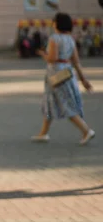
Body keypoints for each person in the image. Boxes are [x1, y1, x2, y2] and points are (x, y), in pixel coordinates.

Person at [31, 12, 95, 146]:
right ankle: (43, 133)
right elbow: (76, 62)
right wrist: (83, 80)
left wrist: (43, 54)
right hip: (67, 72)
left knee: (65, 104)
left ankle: (86, 130)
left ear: (57, 24)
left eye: (54, 21)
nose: (53, 23)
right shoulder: (70, 39)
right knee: (49, 102)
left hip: (56, 74)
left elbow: (52, 58)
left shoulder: (55, 38)